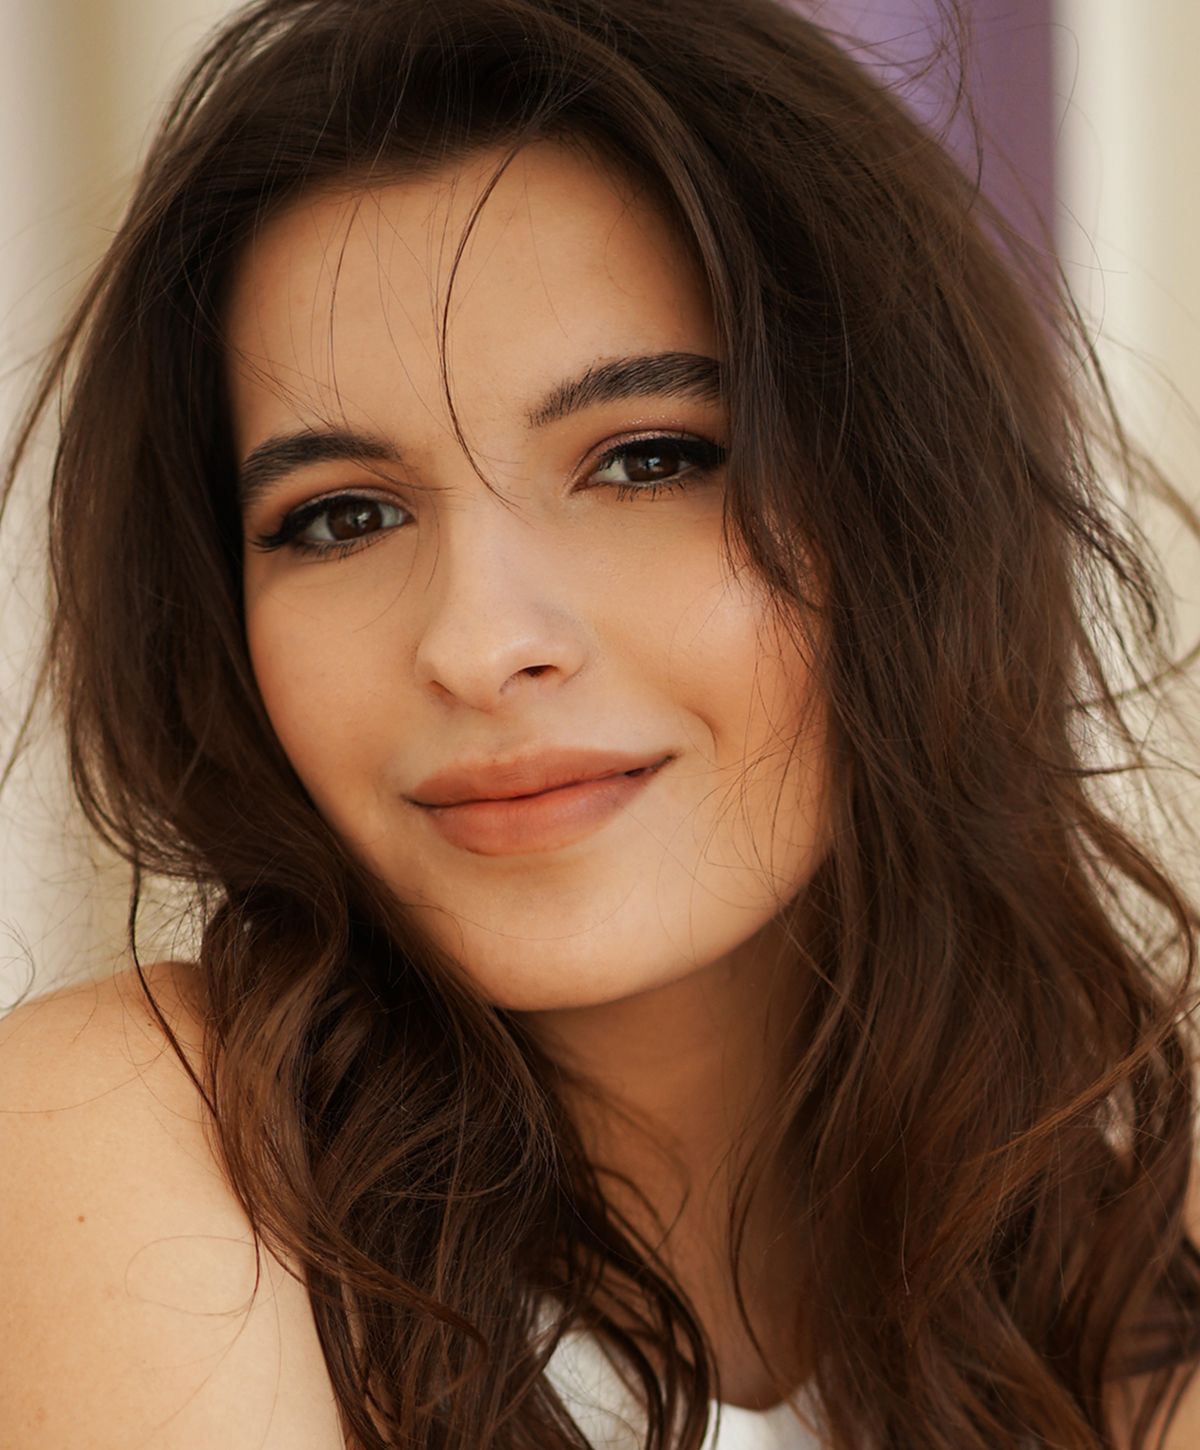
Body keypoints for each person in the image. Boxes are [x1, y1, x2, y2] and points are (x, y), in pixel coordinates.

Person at [2, 0, 1200, 1445]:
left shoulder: (1117, 1259)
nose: (478, 642)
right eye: (340, 515)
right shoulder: (131, 1134)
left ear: (909, 514)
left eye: (646, 459)